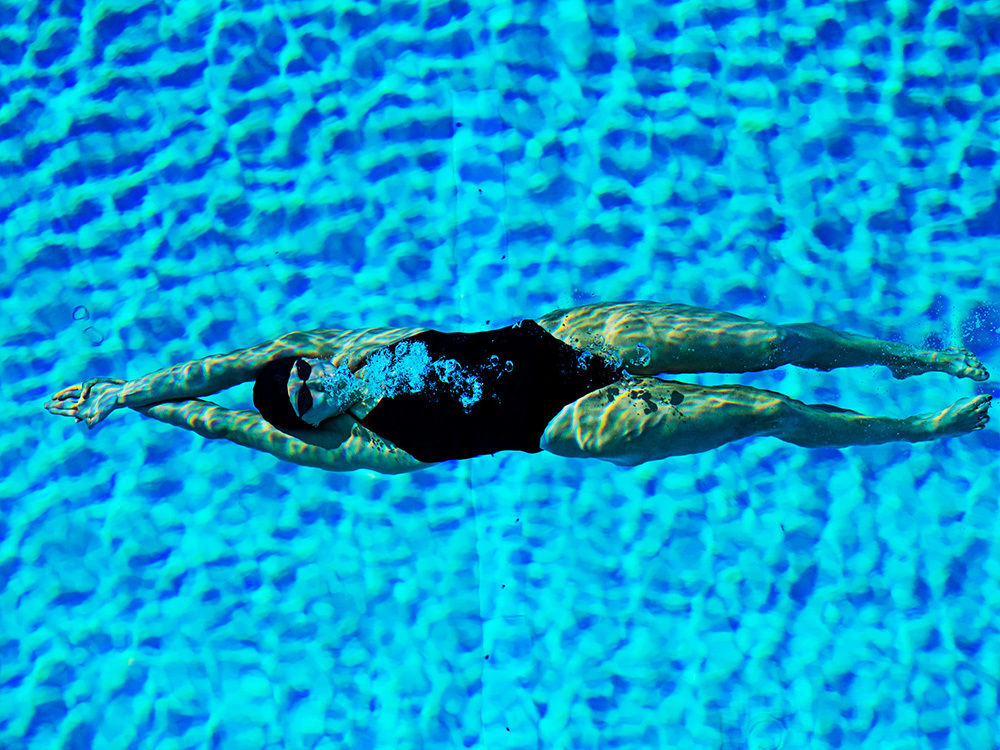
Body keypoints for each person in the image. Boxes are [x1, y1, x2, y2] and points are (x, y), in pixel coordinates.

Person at [44, 301, 992, 475]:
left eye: (309, 373)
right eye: (315, 394)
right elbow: (225, 420)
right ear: (319, 421)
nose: (322, 379)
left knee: (773, 341)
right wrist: (161, 416)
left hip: (561, 336)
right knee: (770, 411)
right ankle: (915, 430)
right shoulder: (350, 444)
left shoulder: (316, 348)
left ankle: (906, 353)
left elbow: (222, 371)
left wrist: (127, 389)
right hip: (571, 418)